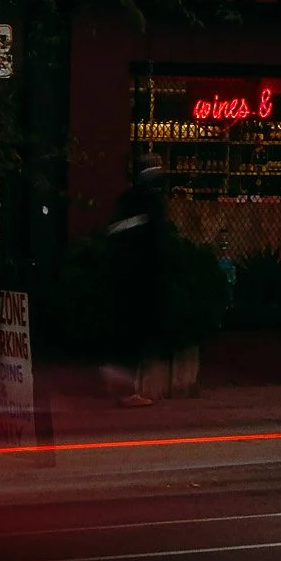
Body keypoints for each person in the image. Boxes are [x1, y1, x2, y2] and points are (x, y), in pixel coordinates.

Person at [105, 151, 168, 405]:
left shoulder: (127, 199)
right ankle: (130, 387)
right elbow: (156, 241)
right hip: (143, 275)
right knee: (141, 328)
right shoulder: (152, 201)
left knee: (129, 326)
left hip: (123, 273)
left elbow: (115, 232)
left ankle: (125, 380)